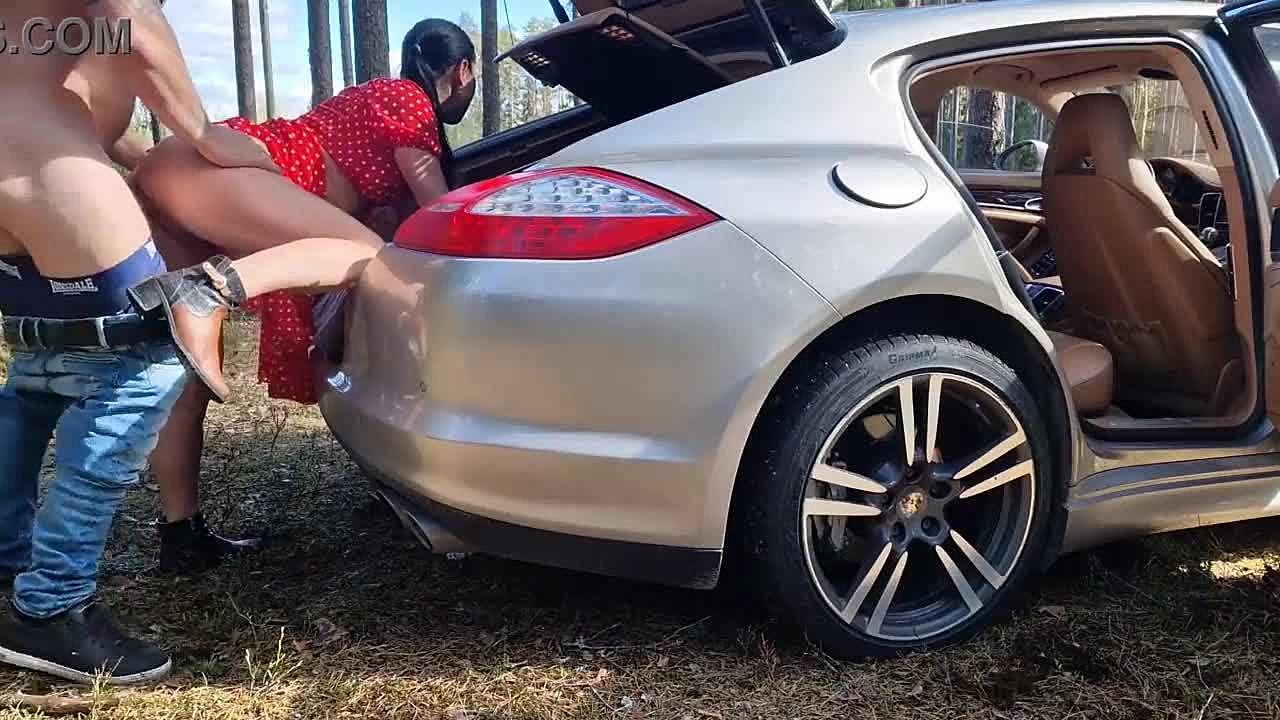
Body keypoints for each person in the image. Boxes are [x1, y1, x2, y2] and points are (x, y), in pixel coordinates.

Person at [0, 0, 282, 685]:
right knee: (147, 354)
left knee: (39, 364)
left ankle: (6, 566)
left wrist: (129, 155)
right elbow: (127, 17)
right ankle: (50, 605)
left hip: (25, 147)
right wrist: (205, 133)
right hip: (43, 153)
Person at [129, 18, 477, 555]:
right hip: (227, 168)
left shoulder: (371, 97)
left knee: (188, 374)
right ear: (464, 71)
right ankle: (211, 290)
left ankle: (182, 535)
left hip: (178, 170)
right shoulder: (409, 100)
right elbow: (438, 210)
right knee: (369, 256)